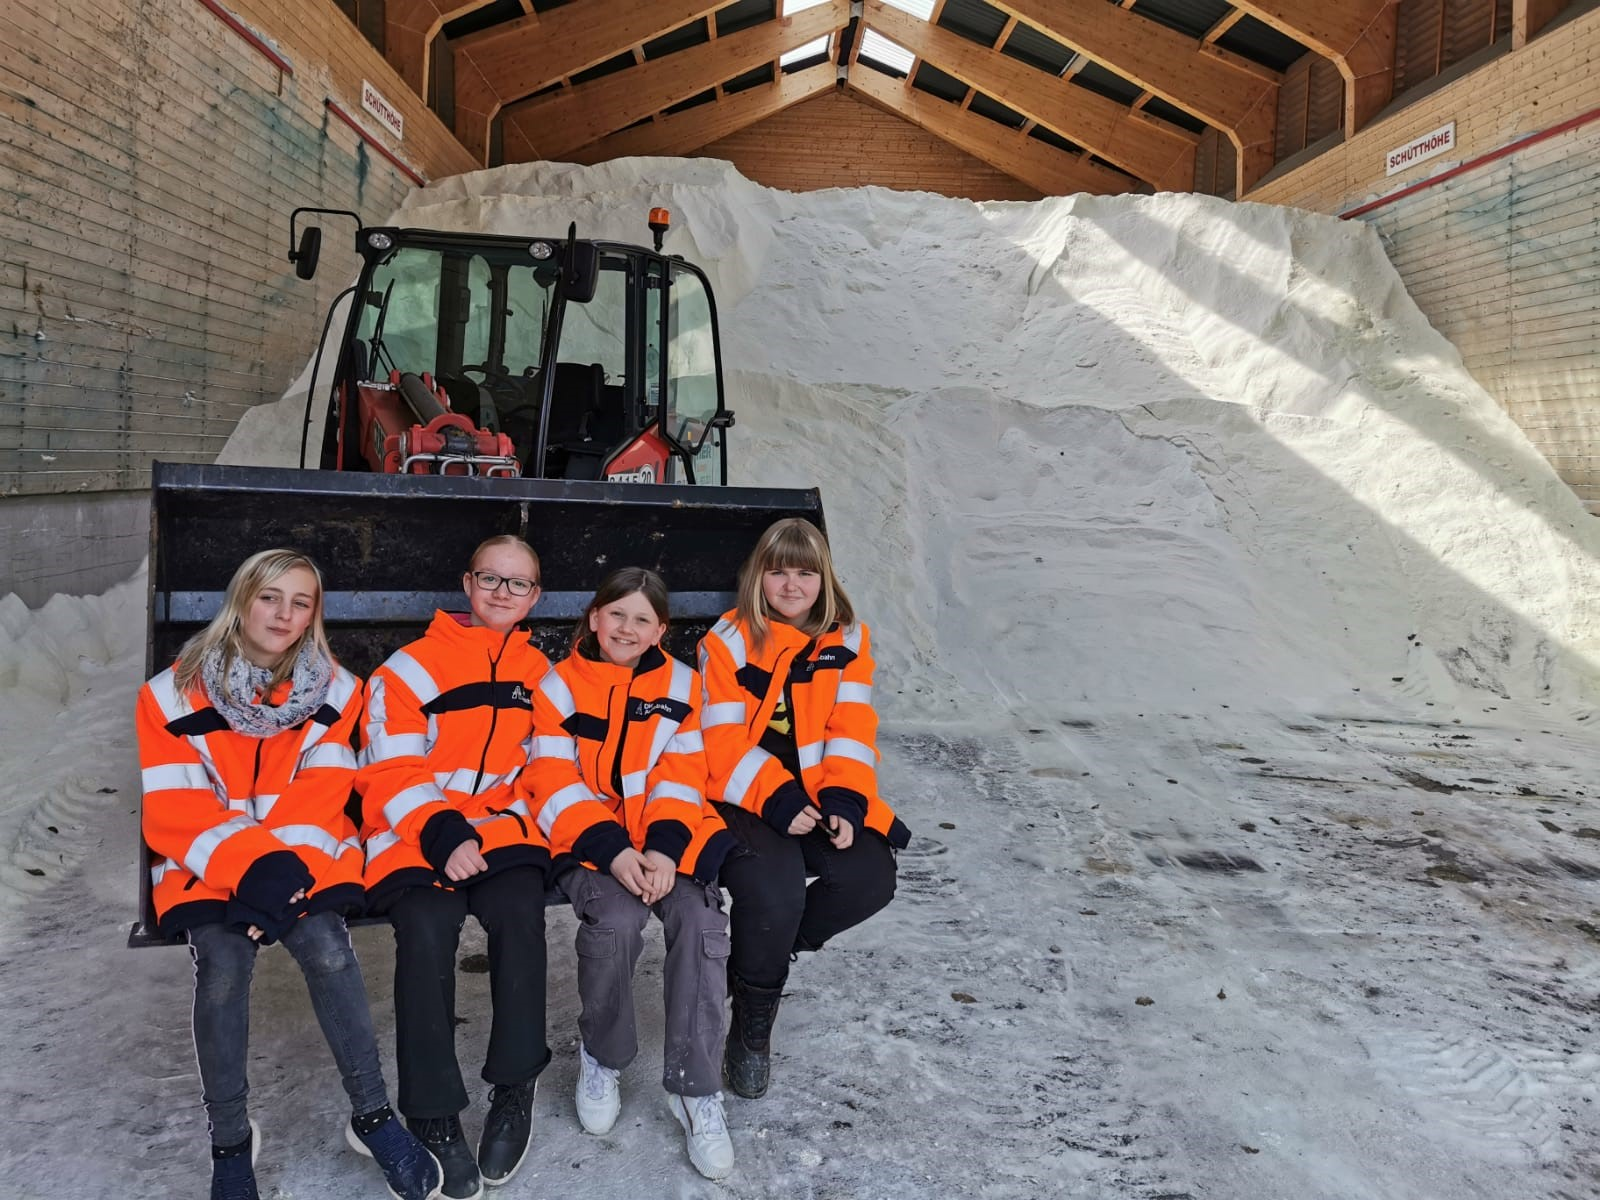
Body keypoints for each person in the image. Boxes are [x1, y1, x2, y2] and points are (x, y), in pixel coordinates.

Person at [136, 548, 441, 1200]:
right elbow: (176, 805)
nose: (284, 613)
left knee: (330, 951)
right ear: (242, 599)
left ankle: (374, 1115)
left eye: (301, 602)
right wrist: (250, 876)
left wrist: (272, 885)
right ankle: (230, 1141)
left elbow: (320, 794)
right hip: (206, 863)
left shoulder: (337, 691)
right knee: (222, 968)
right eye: (271, 597)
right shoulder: (167, 695)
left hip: (302, 859)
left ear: (314, 615)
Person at [520, 568, 737, 1180]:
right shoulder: (559, 686)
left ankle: (696, 1087)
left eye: (642, 619)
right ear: (594, 618)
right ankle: (604, 1056)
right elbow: (552, 779)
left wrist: (665, 852)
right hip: (590, 844)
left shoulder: (682, 686)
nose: (627, 628)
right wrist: (615, 852)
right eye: (616, 614)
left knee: (698, 922)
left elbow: (681, 774)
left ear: (660, 630)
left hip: (670, 840)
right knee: (613, 921)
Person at [356, 535, 552, 1200]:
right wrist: (442, 832)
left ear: (535, 598)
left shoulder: (541, 677)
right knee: (427, 930)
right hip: (417, 834)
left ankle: (514, 1085)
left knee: (522, 916)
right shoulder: (410, 669)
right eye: (490, 579)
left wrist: (495, 830)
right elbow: (389, 766)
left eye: (517, 584)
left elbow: (546, 768)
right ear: (467, 585)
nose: (502, 592)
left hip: (500, 832)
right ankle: (433, 1111)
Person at [698, 518, 911, 1099]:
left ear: (824, 579)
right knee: (776, 887)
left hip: (818, 792)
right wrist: (776, 796)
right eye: (778, 571)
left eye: (805, 572)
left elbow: (852, 726)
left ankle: (754, 965)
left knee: (868, 876)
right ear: (758, 576)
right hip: (743, 794)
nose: (791, 585)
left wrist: (844, 798)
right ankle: (753, 1026)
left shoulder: (847, 640)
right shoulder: (728, 640)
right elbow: (719, 742)